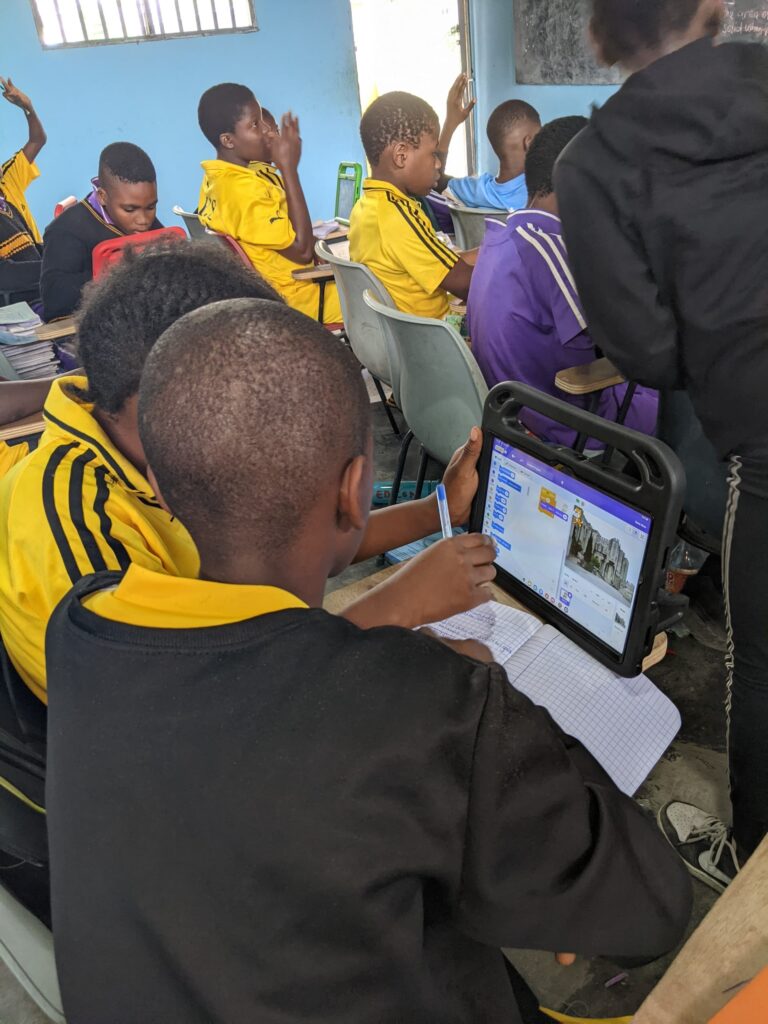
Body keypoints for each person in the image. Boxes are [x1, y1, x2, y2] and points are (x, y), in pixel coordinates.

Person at [45, 296, 691, 1024]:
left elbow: (258, 714)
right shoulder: (428, 709)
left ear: (161, 484)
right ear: (357, 489)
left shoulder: (84, 622)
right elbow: (650, 910)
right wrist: (482, 698)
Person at [0, 240, 494, 705]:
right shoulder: (79, 547)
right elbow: (216, 716)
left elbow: (291, 529)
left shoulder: (163, 451)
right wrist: (392, 610)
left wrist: (438, 511)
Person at [555, 0, 768, 887]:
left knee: (758, 673)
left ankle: (754, 865)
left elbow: (645, 354)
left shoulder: (593, 164)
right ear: (710, 6)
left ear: (599, 34)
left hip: (762, 444)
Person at [468, 116, 658, 448]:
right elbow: (627, 338)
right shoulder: (548, 248)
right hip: (569, 423)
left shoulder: (506, 236)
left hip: (518, 410)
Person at [197, 83, 342, 325]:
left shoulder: (217, 179)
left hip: (275, 291)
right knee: (386, 292)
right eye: (255, 124)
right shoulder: (242, 190)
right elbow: (303, 252)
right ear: (228, 140)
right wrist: (289, 169)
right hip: (299, 297)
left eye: (264, 120)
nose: (266, 131)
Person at [349, 91, 474, 319]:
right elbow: (466, 283)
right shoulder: (397, 215)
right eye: (432, 154)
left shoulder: (367, 206)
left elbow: (444, 262)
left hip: (409, 336)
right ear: (401, 156)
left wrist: (493, 251)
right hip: (439, 337)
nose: (438, 164)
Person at [40, 142, 161, 321]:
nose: (143, 220)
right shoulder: (65, 230)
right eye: (129, 209)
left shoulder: (138, 215)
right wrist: (117, 273)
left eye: (151, 207)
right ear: (103, 197)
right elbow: (55, 299)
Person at [438, 74, 541, 211]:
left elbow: (436, 180)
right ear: (529, 143)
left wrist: (450, 124)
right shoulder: (542, 193)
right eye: (541, 136)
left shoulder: (476, 191)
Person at [0, 76, 46, 307]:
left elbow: (37, 140)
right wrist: (56, 267)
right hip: (11, 299)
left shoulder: (8, 179)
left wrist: (27, 108)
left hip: (37, 281)